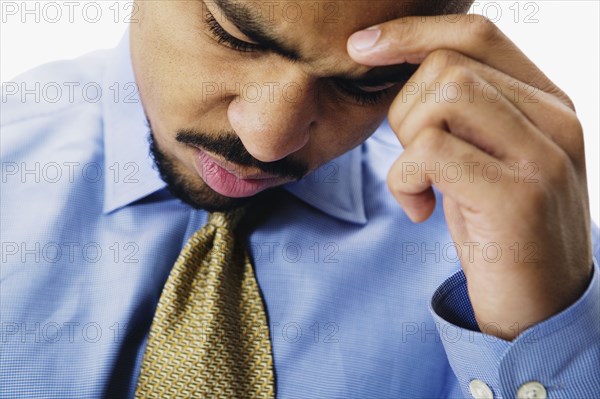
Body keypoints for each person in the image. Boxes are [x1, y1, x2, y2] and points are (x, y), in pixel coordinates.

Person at [1, 0, 598, 398]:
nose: (266, 140)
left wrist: (544, 328)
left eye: (365, 83)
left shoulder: (522, 244)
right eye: (235, 36)